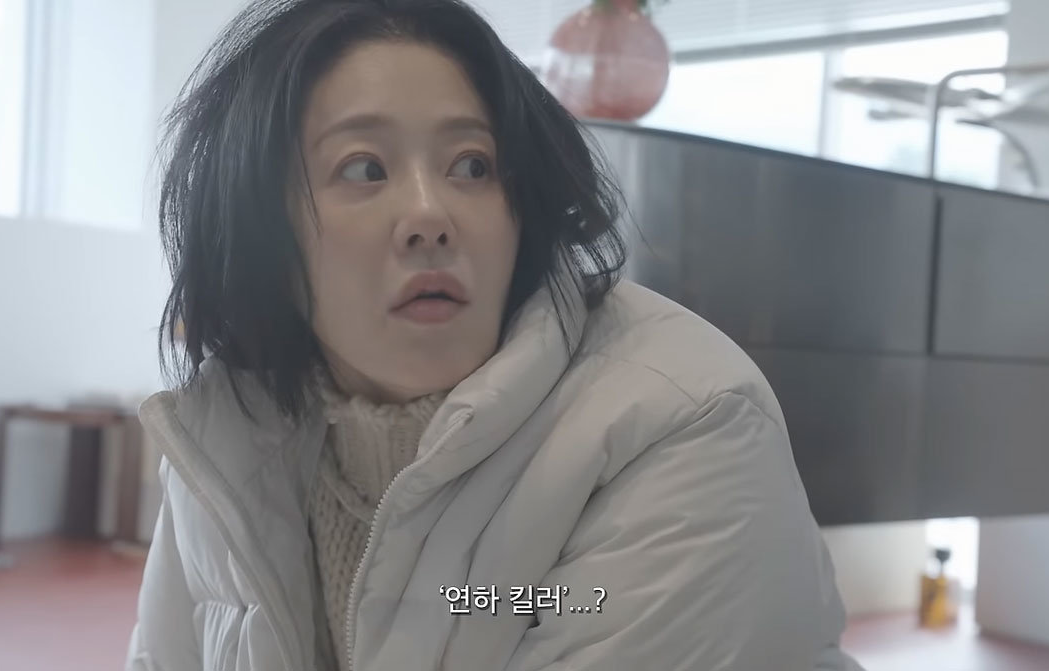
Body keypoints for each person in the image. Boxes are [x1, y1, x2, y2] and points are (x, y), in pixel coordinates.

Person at [126, 0, 864, 669]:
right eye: (364, 168)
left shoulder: (682, 420)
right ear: (261, 230)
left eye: (472, 165)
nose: (429, 214)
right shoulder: (231, 438)